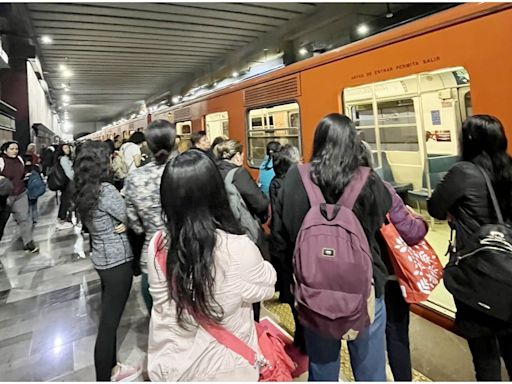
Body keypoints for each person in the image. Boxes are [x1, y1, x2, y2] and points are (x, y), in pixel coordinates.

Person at [273, 113, 391, 381]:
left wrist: (289, 284)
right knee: (371, 371)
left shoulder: (295, 178)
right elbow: (382, 218)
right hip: (366, 290)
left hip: (312, 290)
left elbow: (280, 237)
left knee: (323, 368)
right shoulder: (369, 181)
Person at [147, 150, 276, 381]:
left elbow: (160, 300)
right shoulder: (238, 248)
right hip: (228, 369)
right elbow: (266, 285)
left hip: (174, 367)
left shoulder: (157, 246)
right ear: (217, 193)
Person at [428, 114, 512, 381]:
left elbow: (435, 208)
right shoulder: (510, 169)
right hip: (509, 269)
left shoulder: (463, 172)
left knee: (485, 358)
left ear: (470, 140)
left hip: (478, 272)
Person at [360, 141, 428, 381]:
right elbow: (411, 231)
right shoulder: (383, 188)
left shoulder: (338, 190)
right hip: (391, 274)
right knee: (397, 332)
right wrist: (420, 219)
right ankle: (403, 378)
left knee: (366, 336)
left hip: (362, 276)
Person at [73, 141, 140, 382]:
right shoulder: (106, 191)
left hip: (101, 258)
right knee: (109, 324)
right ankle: (105, 375)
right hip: (117, 261)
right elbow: (130, 215)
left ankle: (112, 367)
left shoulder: (82, 189)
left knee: (107, 318)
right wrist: (125, 224)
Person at [124, 119, 177, 313]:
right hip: (189, 253)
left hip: (153, 256)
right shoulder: (187, 171)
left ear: (148, 145)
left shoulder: (135, 178)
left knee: (158, 317)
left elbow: (134, 225)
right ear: (174, 142)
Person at [268, 144, 304, 350]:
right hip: (299, 247)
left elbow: (276, 222)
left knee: (293, 297)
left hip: (286, 248)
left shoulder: (276, 183)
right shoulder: (302, 183)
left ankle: (301, 335)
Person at [0, 141, 38, 253]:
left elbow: (21, 174)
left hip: (20, 194)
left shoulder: (20, 160)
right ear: (5, 150)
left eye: (16, 149)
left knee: (24, 219)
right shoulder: (1, 161)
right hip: (4, 197)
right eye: (11, 149)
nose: (14, 151)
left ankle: (28, 243)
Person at [57, 143, 74, 229]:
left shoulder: (63, 158)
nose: (67, 149)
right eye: (65, 148)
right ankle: (63, 220)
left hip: (65, 183)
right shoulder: (64, 159)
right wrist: (75, 180)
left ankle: (63, 219)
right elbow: (69, 172)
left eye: (68, 148)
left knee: (65, 200)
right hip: (68, 183)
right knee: (67, 201)